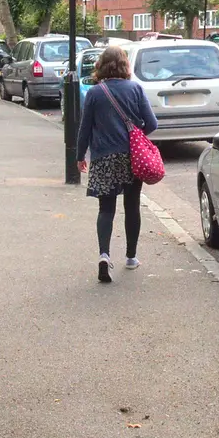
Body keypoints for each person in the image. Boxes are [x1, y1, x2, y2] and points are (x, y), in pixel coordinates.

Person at [76, 45, 158, 283]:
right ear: (124, 65)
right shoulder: (135, 89)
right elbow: (152, 124)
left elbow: (84, 129)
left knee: (106, 209)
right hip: (132, 157)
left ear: (101, 66)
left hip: (103, 158)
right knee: (132, 206)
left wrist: (80, 156)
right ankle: (131, 257)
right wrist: (135, 132)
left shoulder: (94, 93)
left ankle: (104, 255)